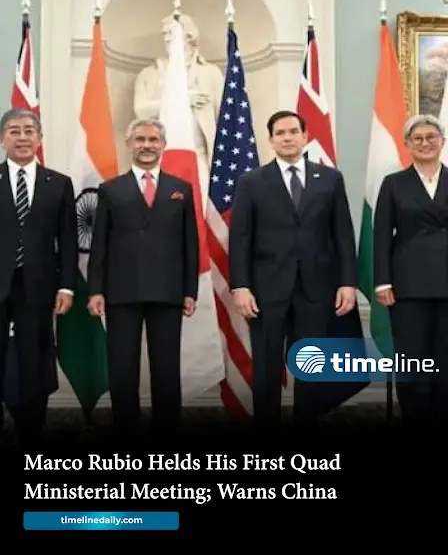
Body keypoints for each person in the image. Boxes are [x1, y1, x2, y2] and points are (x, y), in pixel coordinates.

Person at [229, 110, 357, 430]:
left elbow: (342, 235)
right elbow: (240, 237)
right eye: (280, 133)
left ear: (305, 136)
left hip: (316, 289)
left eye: (293, 131)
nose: (287, 138)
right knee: (267, 367)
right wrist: (240, 286)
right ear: (271, 140)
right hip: (266, 290)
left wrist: (347, 283)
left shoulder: (330, 179)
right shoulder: (252, 181)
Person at [87, 118, 199, 441]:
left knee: (166, 368)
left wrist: (189, 290)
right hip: (121, 292)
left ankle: (167, 431)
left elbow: (190, 244)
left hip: (168, 292)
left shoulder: (181, 188)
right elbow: (99, 244)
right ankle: (126, 431)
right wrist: (95, 290)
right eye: (140, 139)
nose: (147, 145)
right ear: (129, 144)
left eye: (153, 139)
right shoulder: (110, 189)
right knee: (122, 368)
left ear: (163, 145)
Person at [0, 108, 77, 446]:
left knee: (34, 358)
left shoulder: (58, 183)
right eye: (14, 131)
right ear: (3, 138)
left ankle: (30, 430)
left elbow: (68, 240)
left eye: (29, 131)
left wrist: (67, 286)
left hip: (39, 287)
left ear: (39, 138)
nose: (22, 137)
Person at [374, 113, 448, 429]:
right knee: (413, 358)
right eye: (417, 138)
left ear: (442, 142)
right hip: (407, 285)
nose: (425, 143)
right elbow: (381, 235)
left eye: (431, 137)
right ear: (407, 144)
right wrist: (382, 282)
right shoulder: (394, 183)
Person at [133, 13, 224, 213]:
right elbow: (141, 111)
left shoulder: (211, 73)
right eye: (164, 34)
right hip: (158, 158)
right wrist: (180, 99)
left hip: (200, 156)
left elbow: (223, 117)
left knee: (201, 212)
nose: (166, 38)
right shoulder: (149, 74)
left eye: (171, 33)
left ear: (189, 36)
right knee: (159, 213)